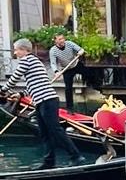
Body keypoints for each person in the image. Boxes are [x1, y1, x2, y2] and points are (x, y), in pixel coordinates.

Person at [7, 38, 82, 169]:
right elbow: (34, 84)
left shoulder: (27, 60)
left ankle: (76, 156)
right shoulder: (35, 62)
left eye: (16, 49)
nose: (15, 52)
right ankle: (49, 162)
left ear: (24, 50)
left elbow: (14, 78)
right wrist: (21, 94)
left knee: (55, 130)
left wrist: (2, 89)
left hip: (47, 101)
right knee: (45, 133)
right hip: (42, 101)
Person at [48, 31, 83, 110]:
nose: (62, 40)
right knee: (68, 88)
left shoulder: (69, 43)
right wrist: (56, 72)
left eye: (63, 38)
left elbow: (79, 49)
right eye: (60, 39)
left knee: (89, 73)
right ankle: (70, 108)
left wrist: (80, 51)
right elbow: (53, 63)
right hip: (66, 69)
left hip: (76, 64)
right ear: (55, 41)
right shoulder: (53, 51)